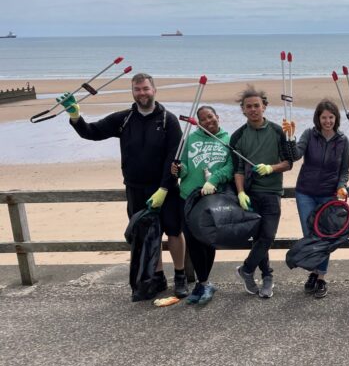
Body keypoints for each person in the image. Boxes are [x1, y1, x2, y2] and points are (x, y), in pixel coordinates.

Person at [60, 73, 188, 301]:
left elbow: (174, 159)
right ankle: (156, 277)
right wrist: (75, 117)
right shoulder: (124, 119)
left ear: (154, 90)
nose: (142, 93)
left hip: (165, 189)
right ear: (133, 92)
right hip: (135, 189)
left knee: (174, 232)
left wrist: (164, 188)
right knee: (149, 235)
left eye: (145, 89)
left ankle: (180, 276)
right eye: (137, 89)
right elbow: (92, 132)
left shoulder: (169, 120)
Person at [231, 86, 296, 298]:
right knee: (258, 238)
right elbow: (238, 170)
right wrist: (240, 193)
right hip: (250, 193)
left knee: (268, 236)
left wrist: (271, 168)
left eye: (256, 106)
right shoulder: (237, 137)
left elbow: (289, 162)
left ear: (264, 107)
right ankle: (267, 276)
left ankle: (246, 269)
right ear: (243, 109)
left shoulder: (279, 131)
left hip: (272, 192)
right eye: (248, 106)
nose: (253, 110)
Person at [170, 105, 233, 305]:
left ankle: (203, 283)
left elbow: (231, 167)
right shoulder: (191, 139)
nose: (208, 121)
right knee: (193, 240)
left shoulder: (227, 139)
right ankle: (203, 283)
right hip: (188, 196)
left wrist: (214, 179)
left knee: (208, 241)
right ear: (198, 122)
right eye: (203, 119)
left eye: (210, 117)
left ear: (217, 116)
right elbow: (185, 169)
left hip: (211, 198)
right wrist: (178, 169)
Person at [291, 99, 349, 298]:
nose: (327, 121)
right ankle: (312, 273)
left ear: (336, 118)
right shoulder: (309, 134)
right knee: (310, 234)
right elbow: (294, 155)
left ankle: (321, 277)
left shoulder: (343, 141)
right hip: (305, 192)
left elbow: (345, 171)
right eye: (324, 117)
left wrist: (342, 186)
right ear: (318, 118)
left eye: (331, 117)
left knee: (324, 236)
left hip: (328, 195)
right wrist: (289, 138)